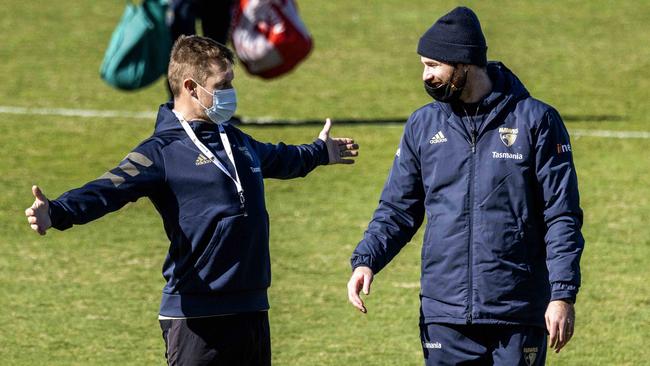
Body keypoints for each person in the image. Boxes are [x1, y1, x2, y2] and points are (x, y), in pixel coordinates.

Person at [26, 35, 358, 365]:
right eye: (222, 83)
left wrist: (320, 152)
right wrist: (56, 212)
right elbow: (107, 190)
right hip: (197, 318)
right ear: (191, 87)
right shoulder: (161, 152)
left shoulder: (237, 141)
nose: (230, 93)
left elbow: (281, 158)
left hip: (252, 309)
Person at [347, 6, 584, 366]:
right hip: (444, 314)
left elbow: (561, 215)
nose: (425, 76)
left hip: (517, 311)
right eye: (423, 65)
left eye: (433, 66)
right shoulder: (423, 126)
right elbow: (398, 208)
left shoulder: (536, 121)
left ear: (464, 64)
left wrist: (562, 295)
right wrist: (367, 261)